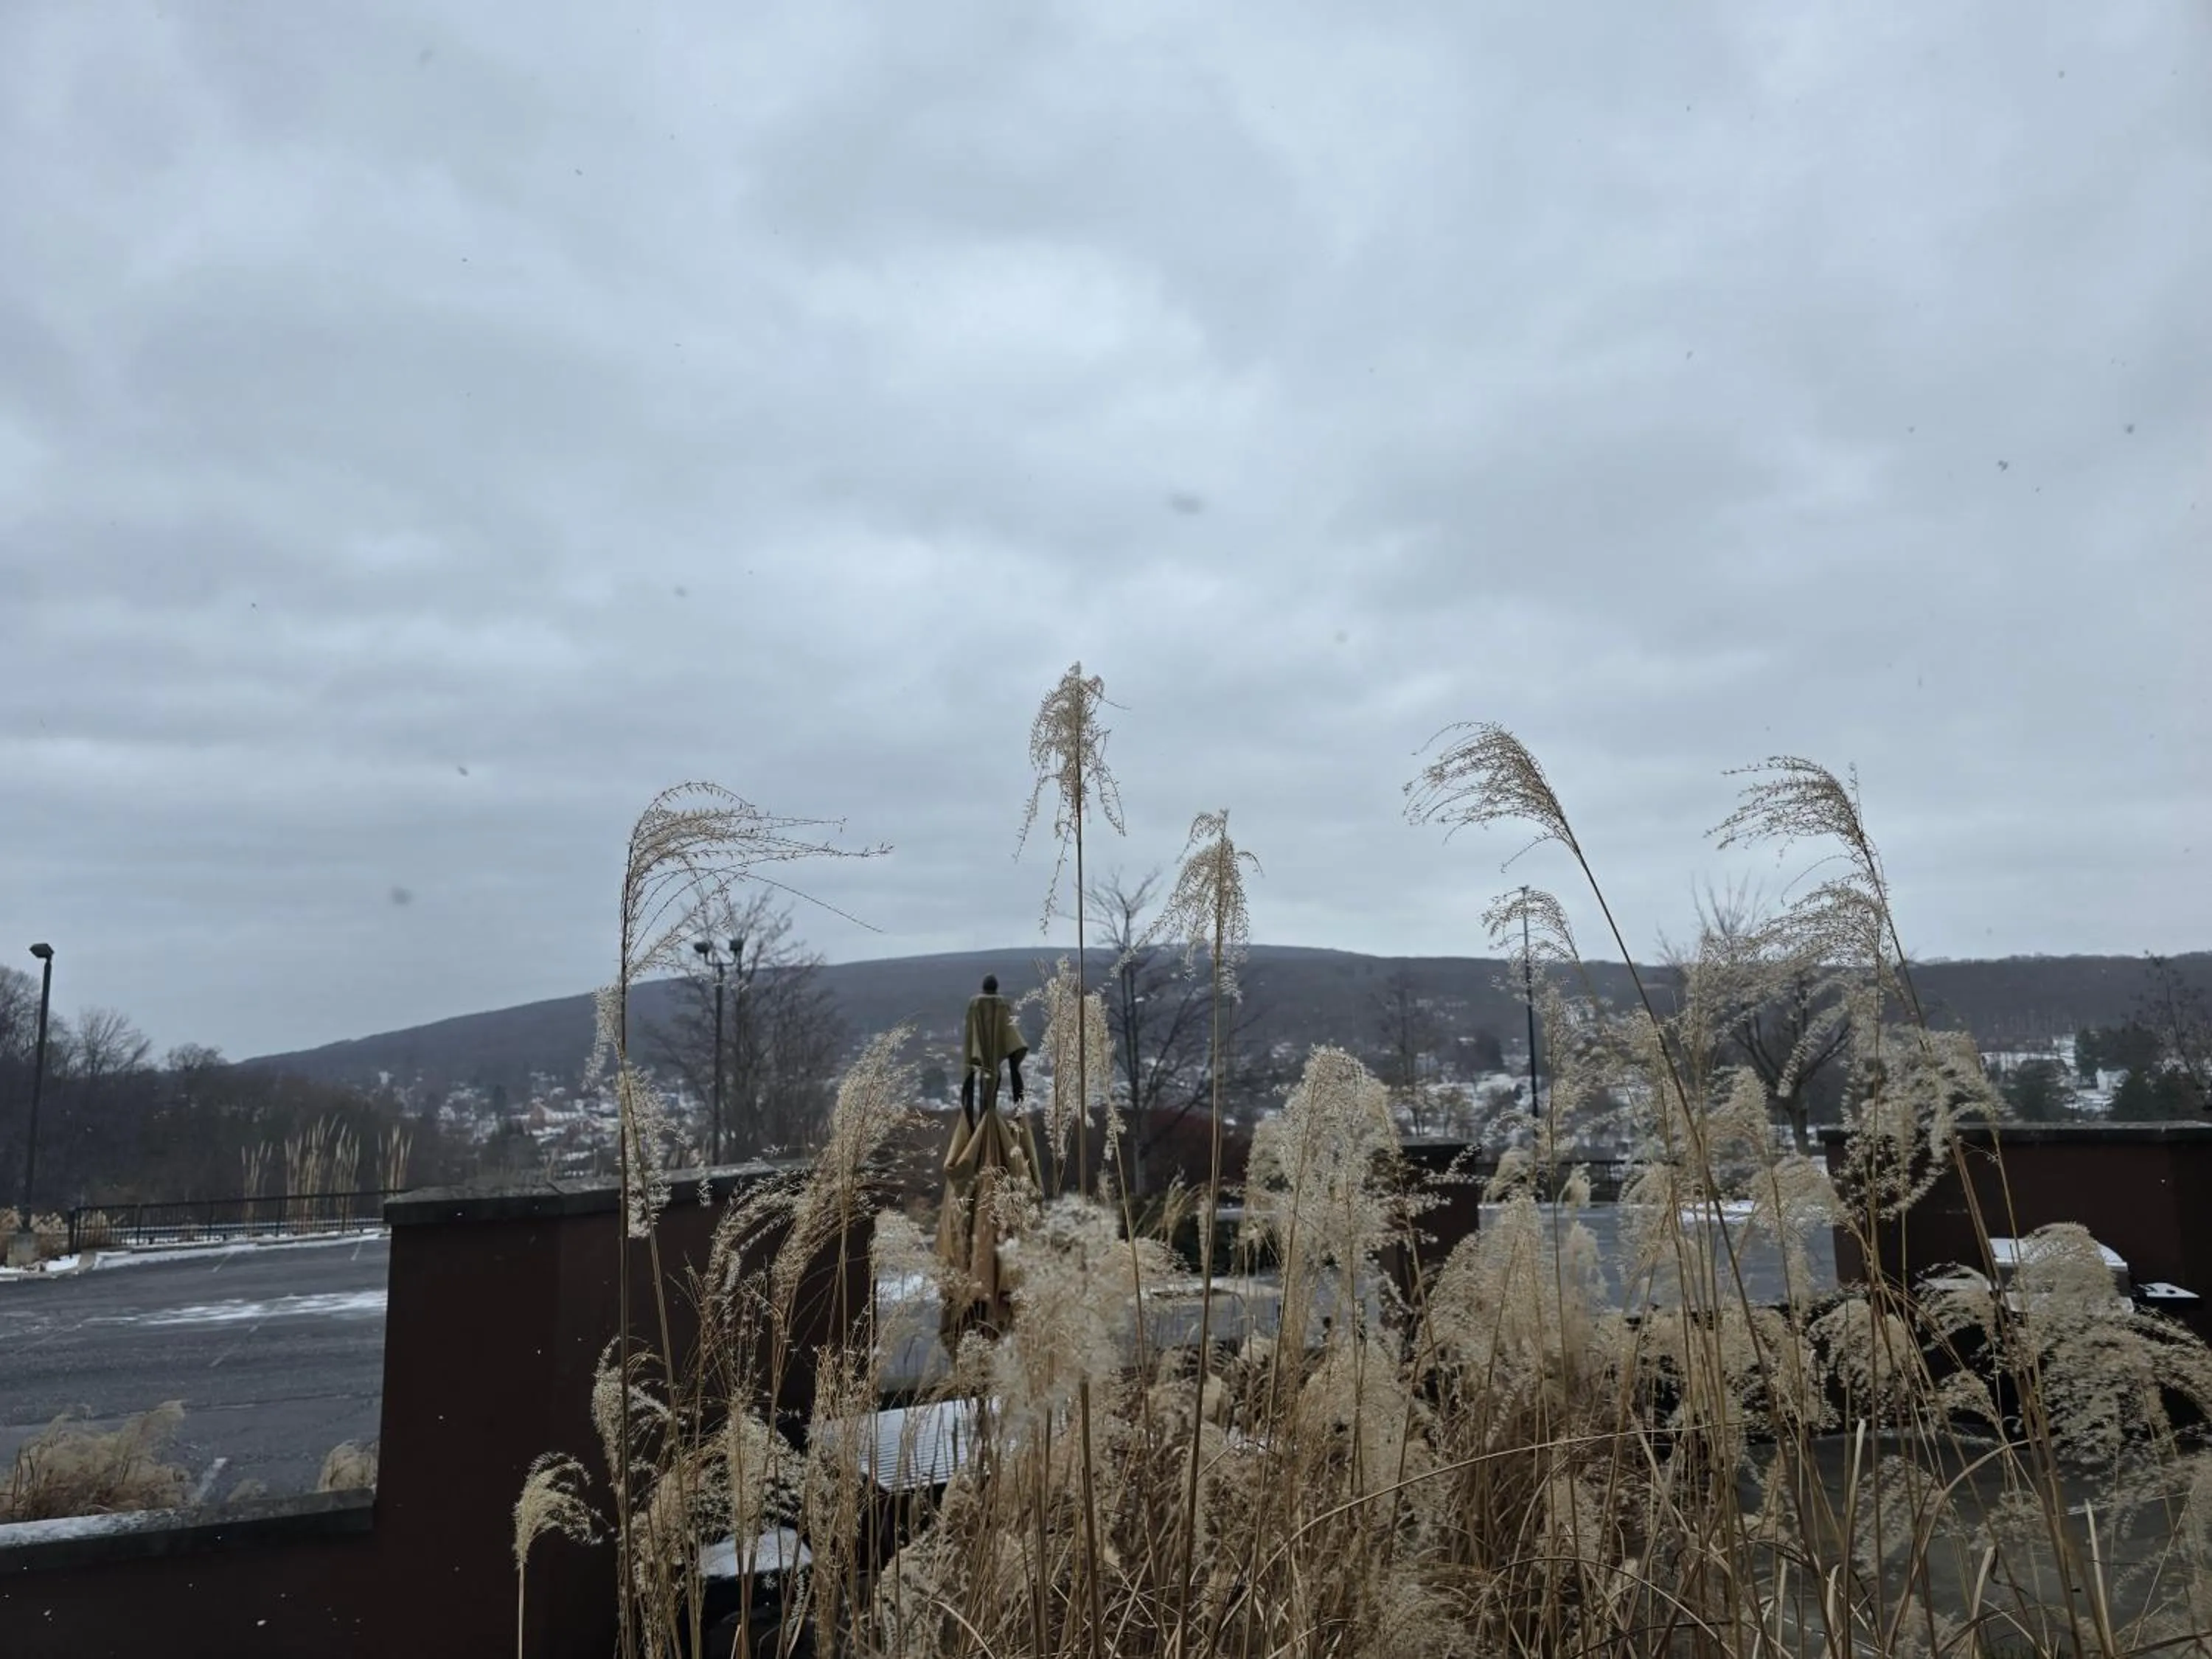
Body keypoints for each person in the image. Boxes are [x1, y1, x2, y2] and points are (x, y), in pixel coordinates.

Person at [960, 973, 1027, 1120]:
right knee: (990, 1085)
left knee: (985, 1090)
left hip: (987, 1068)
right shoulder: (1001, 1006)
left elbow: (972, 1040)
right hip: (994, 1070)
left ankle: (982, 1121)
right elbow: (1013, 1042)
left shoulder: (977, 1006)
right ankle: (989, 1120)